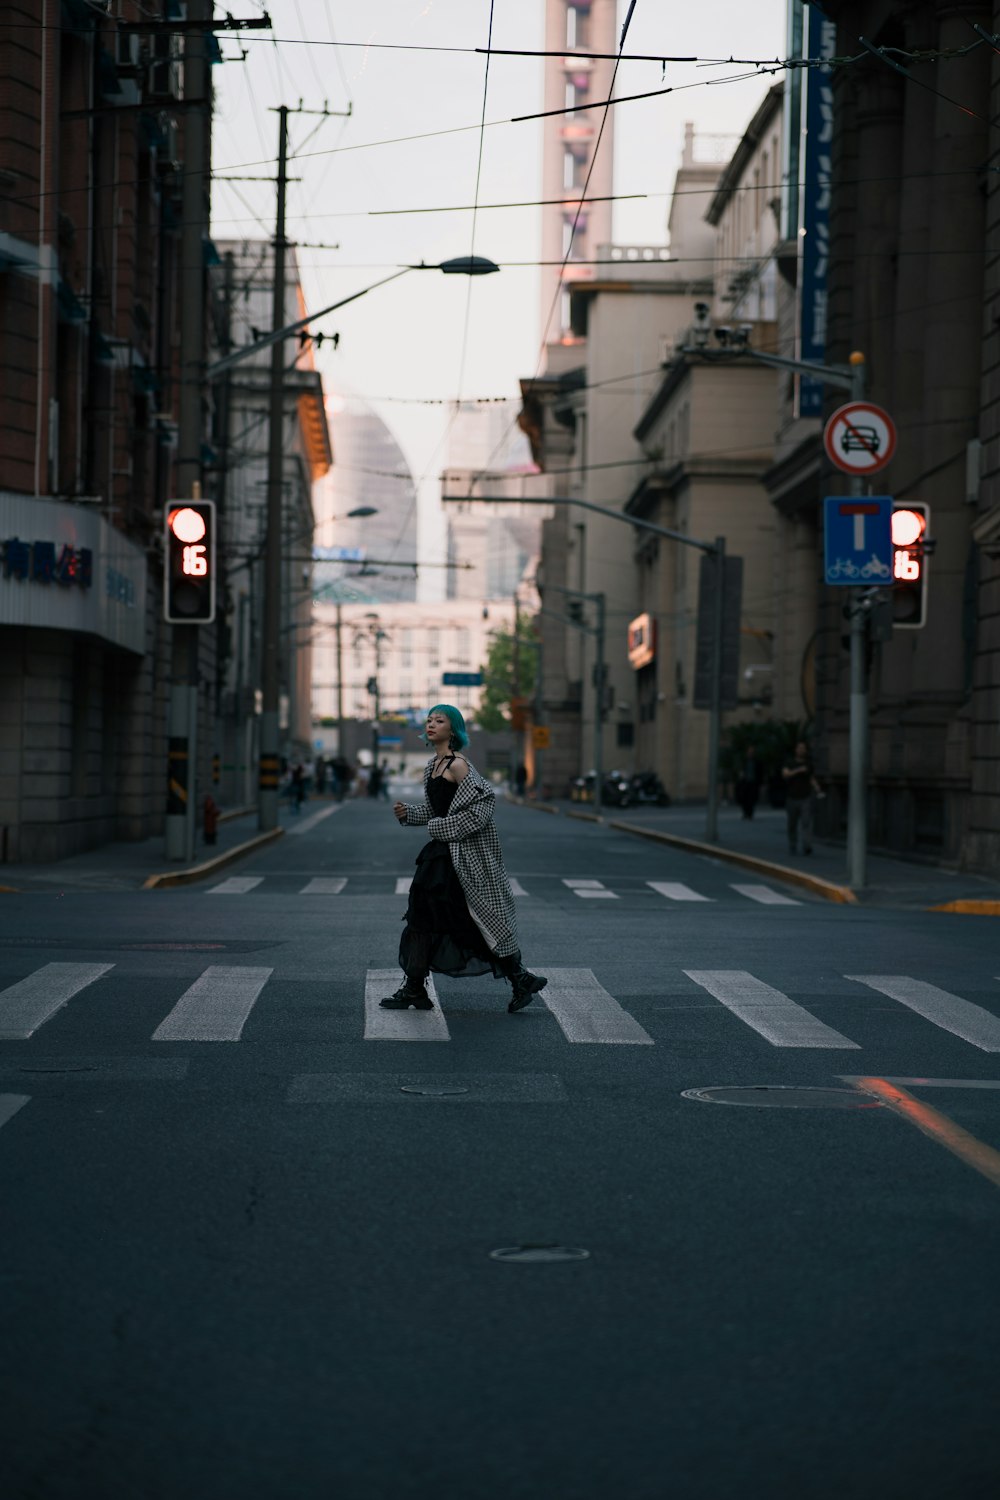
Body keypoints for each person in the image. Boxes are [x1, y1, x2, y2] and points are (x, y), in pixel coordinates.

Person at [382, 704, 547, 1015]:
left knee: (471, 919)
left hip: (462, 857)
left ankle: (520, 977)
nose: (431, 724)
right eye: (429, 720)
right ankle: (415, 987)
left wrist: (439, 827)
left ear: (453, 729)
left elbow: (483, 805)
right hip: (440, 854)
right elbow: (438, 810)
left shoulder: (458, 765)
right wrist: (410, 814)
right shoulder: (434, 764)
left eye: (439, 720)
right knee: (422, 917)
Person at [781, 740, 823, 854]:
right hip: (792, 797)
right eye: (799, 748)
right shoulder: (789, 762)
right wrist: (798, 770)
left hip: (805, 797)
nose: (801, 750)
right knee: (792, 823)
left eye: (803, 748)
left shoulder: (808, 764)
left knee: (806, 822)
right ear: (796, 749)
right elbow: (785, 774)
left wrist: (817, 788)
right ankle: (793, 844)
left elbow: (811, 778)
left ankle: (807, 845)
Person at [735, 746, 762, 820]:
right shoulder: (744, 761)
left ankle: (750, 813)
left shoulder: (756, 762)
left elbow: (760, 772)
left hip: (753, 782)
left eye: (752, 752)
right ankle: (745, 813)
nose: (750, 754)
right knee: (744, 798)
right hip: (745, 782)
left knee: (752, 799)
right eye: (749, 752)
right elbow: (740, 770)